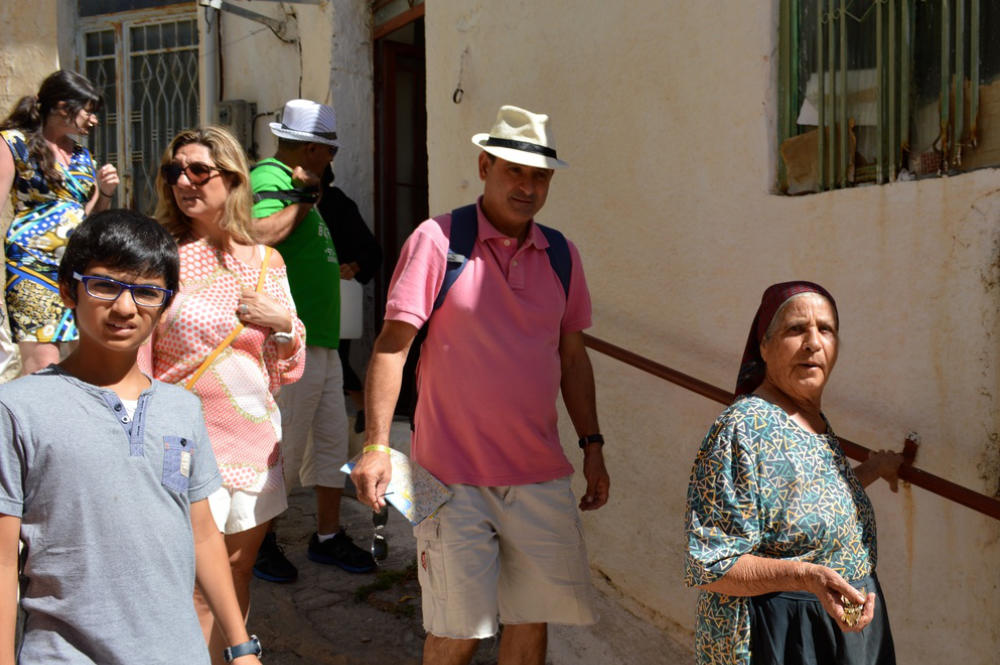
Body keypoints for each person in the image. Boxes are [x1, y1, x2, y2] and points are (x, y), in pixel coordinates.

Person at [352, 105, 611, 665]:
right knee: (457, 629)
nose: (527, 186)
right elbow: (392, 348)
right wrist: (375, 446)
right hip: (445, 475)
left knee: (530, 620)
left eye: (539, 175)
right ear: (485, 165)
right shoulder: (436, 239)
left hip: (540, 474)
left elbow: (573, 357)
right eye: (514, 170)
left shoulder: (562, 254)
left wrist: (593, 445)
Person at [0, 209, 262, 665]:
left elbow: (202, 535)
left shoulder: (182, 409)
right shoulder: (19, 410)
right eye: (104, 286)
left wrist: (240, 647)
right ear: (68, 290)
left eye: (146, 292)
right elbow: (3, 562)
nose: (125, 308)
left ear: (165, 303)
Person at [147, 126, 305, 662]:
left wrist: (282, 322)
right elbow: (137, 351)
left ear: (233, 177)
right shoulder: (159, 257)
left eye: (198, 171)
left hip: (254, 441)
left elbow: (286, 369)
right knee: (196, 582)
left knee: (239, 570)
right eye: (175, 172)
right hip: (183, 443)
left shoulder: (266, 263)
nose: (184, 182)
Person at [684, 281, 903, 665]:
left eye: (826, 329)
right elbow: (711, 565)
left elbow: (806, 496)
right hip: (781, 637)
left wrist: (874, 469)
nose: (813, 342)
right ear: (764, 347)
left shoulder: (810, 419)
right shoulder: (743, 429)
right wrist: (807, 578)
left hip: (838, 627)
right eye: (795, 329)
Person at [250, 99, 375, 582]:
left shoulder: (302, 188)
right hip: (289, 342)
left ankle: (326, 537)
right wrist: (303, 200)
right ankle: (259, 542)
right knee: (281, 447)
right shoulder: (270, 178)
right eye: (329, 148)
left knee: (328, 445)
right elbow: (260, 234)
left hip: (319, 341)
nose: (333, 157)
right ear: (309, 148)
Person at [0, 69, 119, 375]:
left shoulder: (82, 156)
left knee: (78, 360)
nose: (94, 121)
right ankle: (27, 423)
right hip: (32, 266)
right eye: (89, 112)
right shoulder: (13, 144)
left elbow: (86, 217)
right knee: (41, 363)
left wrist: (104, 193)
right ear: (63, 107)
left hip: (78, 268)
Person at [316, 164, 382, 421]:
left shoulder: (337, 203)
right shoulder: (286, 202)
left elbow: (372, 252)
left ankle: (366, 411)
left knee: (332, 357)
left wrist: (352, 267)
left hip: (334, 298)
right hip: (298, 297)